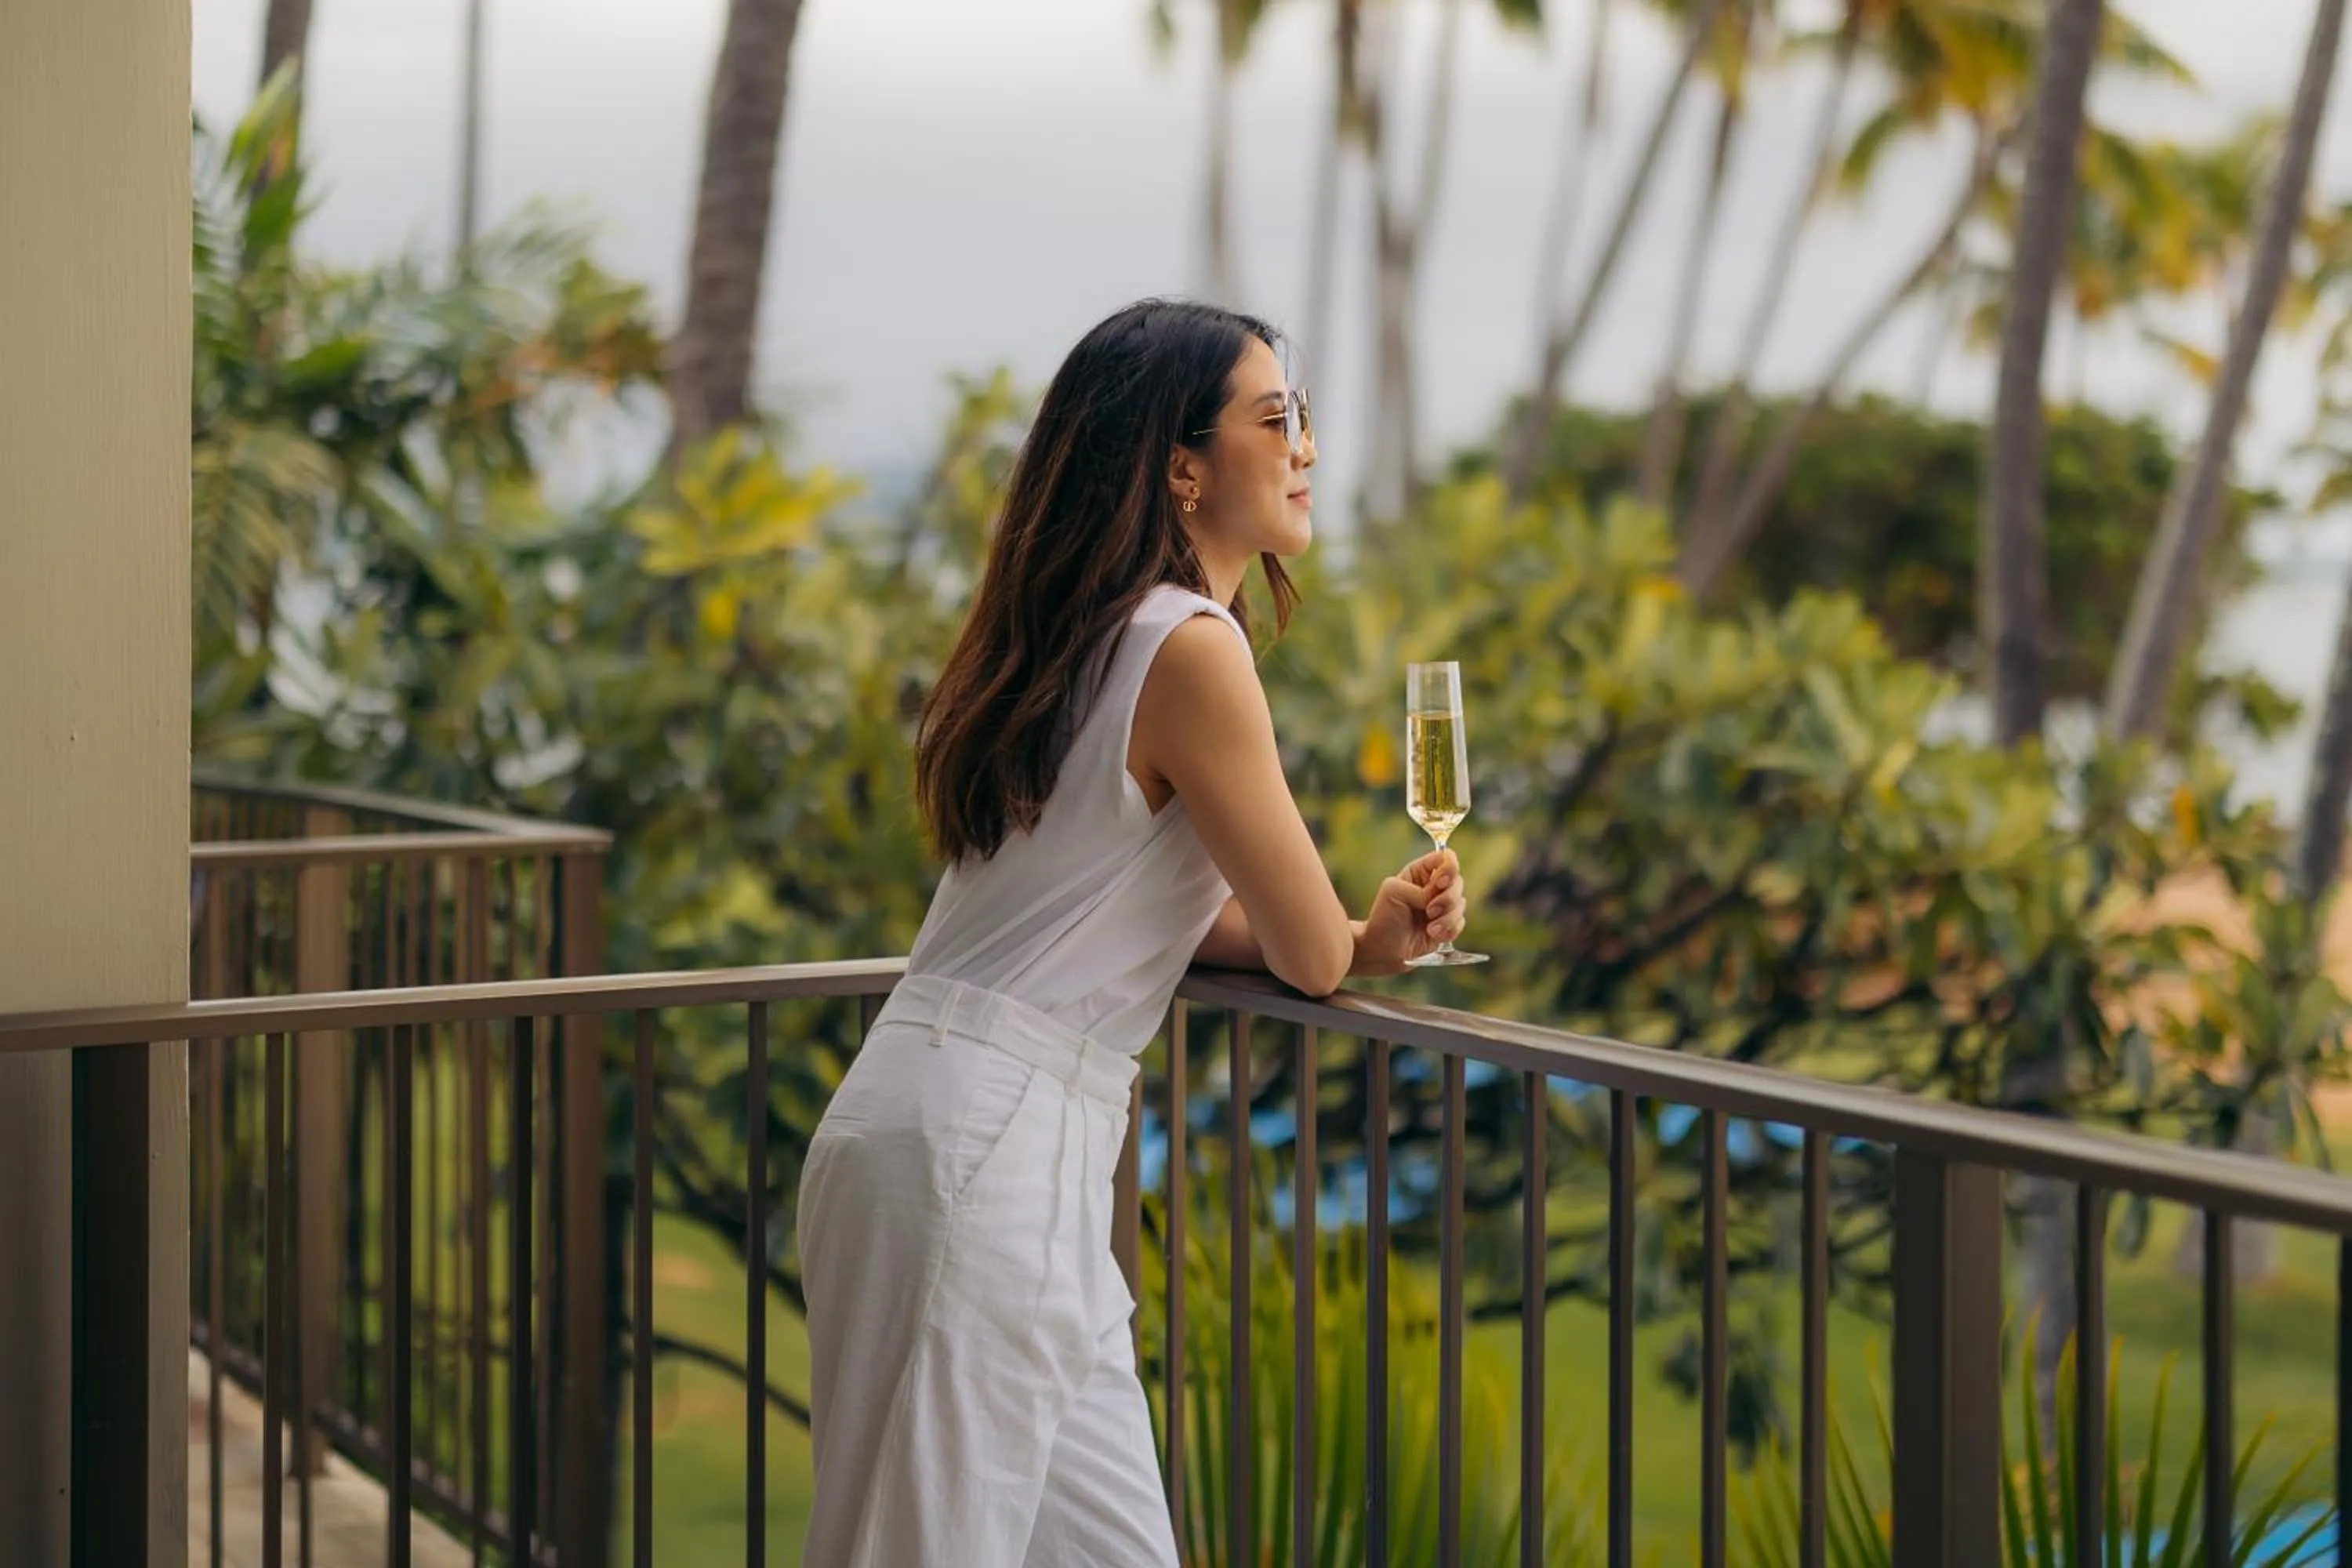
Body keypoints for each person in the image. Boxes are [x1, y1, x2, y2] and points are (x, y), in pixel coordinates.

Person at [797, 298, 1471, 1567]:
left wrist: (1365, 937)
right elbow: (1306, 956)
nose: (1307, 447)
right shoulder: (1195, 650)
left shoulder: (1081, 638)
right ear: (1182, 467)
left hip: (963, 1131)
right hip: (989, 1157)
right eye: (1276, 420)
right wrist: (1347, 942)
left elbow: (1117, 906)